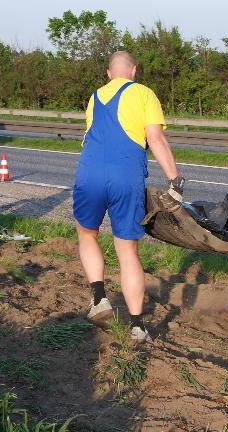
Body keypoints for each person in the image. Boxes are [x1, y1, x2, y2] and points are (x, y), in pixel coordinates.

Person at [73, 51, 184, 342]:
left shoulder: (94, 96)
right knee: (127, 251)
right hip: (126, 176)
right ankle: (137, 327)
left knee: (87, 234)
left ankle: (99, 299)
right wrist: (174, 178)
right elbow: (156, 139)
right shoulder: (144, 94)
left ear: (109, 74)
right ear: (133, 71)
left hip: (90, 174)